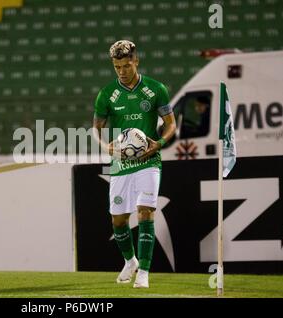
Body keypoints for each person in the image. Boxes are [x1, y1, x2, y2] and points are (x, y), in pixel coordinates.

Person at [93, 40, 176, 288]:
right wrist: (104, 145)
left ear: (136, 61)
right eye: (117, 66)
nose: (122, 71)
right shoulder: (107, 94)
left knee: (145, 211)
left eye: (126, 65)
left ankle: (145, 273)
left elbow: (171, 124)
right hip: (120, 165)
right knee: (118, 220)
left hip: (149, 161)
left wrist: (158, 143)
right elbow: (96, 128)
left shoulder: (156, 89)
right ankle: (131, 262)